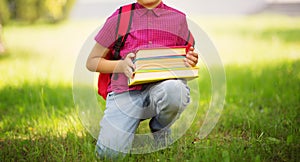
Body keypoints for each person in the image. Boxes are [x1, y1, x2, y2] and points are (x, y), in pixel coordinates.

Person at [86, 0, 199, 159]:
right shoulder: (121, 17)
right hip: (125, 93)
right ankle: (125, 126)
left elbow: (186, 56)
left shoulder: (178, 18)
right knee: (108, 156)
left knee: (176, 91)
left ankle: (160, 128)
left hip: (161, 89)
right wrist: (121, 65)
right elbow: (91, 61)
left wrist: (191, 59)